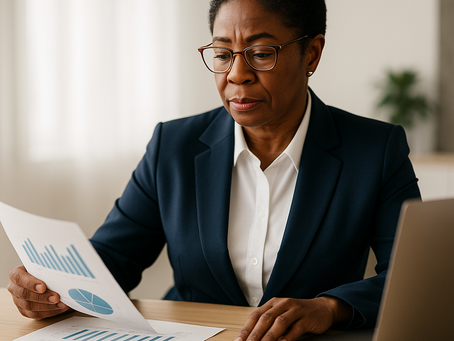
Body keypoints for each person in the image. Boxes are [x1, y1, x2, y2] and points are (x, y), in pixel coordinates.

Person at [8, 0, 421, 340]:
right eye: (223, 54)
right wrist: (51, 285)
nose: (236, 75)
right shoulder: (173, 146)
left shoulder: (375, 150)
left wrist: (329, 308)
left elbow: (412, 279)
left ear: (311, 53)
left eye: (261, 54)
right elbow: (114, 257)